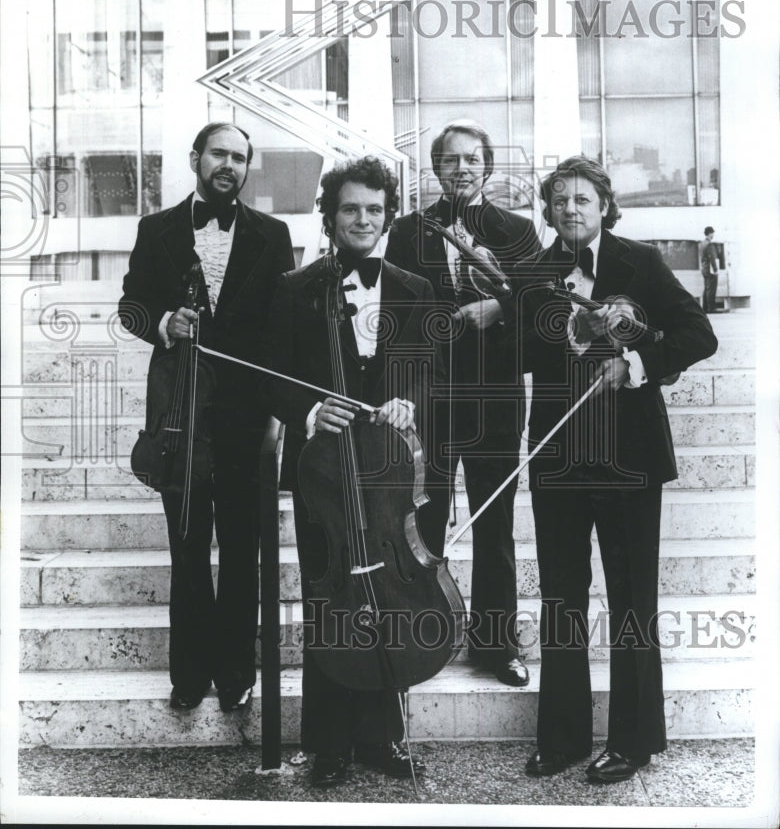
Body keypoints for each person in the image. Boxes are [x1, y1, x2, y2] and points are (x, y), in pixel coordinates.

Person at [513, 156, 717, 783]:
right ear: (548, 211)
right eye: (558, 200)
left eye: (582, 198)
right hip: (559, 457)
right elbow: (519, 353)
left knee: (632, 599)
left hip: (629, 459)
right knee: (561, 597)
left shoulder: (641, 262)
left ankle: (633, 740)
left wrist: (634, 363)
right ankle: (564, 737)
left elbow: (698, 335)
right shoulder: (534, 274)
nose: (570, 209)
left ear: (604, 206)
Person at [260, 156, 438, 787]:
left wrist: (407, 397)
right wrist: (310, 409)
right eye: (350, 209)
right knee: (330, 599)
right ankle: (329, 742)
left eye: (373, 209)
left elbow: (429, 371)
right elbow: (269, 377)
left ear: (387, 217)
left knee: (390, 596)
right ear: (330, 217)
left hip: (393, 475)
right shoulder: (296, 289)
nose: (362, 220)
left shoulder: (416, 290)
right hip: (325, 476)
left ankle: (381, 738)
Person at [118, 122, 294, 713]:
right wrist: (163, 322)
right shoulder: (157, 229)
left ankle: (237, 672)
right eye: (219, 153)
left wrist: (277, 413)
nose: (229, 165)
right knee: (188, 544)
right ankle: (189, 673)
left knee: (244, 547)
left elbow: (282, 324)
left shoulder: (274, 234)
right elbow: (132, 304)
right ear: (195, 158)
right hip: (180, 415)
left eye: (239, 158)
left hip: (246, 417)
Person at [385, 120, 541, 687]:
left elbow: (542, 311)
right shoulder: (407, 231)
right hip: (429, 396)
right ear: (436, 168)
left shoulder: (520, 230)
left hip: (495, 396)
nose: (462, 169)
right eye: (451, 160)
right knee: (423, 517)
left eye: (473, 160)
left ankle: (496, 646)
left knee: (494, 522)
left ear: (489, 167)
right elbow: (396, 320)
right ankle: (426, 633)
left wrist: (498, 310)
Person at [700, 225, 719, 313]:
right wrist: (715, 270)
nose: (713, 235)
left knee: (707, 288)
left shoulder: (702, 243)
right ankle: (711, 308)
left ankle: (705, 308)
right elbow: (712, 258)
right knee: (711, 289)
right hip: (709, 270)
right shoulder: (709, 244)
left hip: (704, 269)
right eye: (712, 233)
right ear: (709, 233)